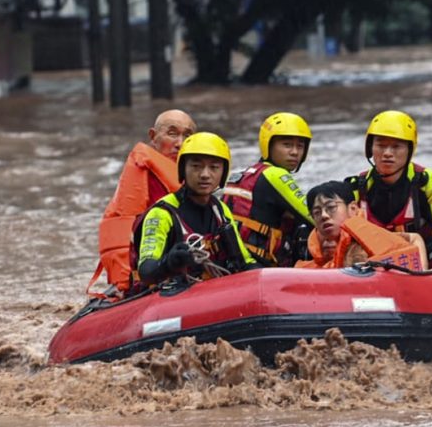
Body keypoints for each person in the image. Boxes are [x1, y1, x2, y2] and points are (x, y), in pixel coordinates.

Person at [87, 109, 197, 297]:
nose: (180, 143)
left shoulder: (201, 178)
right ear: (153, 137)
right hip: (151, 274)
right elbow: (126, 233)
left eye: (187, 136)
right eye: (172, 134)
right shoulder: (142, 174)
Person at [135, 132, 257, 285]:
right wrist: (169, 262)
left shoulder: (220, 210)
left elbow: (245, 261)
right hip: (172, 297)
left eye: (214, 167)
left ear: (223, 172)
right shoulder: (161, 214)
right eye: (196, 166)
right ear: (183, 169)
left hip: (215, 292)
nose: (205, 174)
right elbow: (146, 271)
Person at [345, 110, 432, 268]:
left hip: (425, 268)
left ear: (409, 150)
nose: (387, 153)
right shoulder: (356, 187)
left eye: (396, 146)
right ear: (370, 148)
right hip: (370, 270)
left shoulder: (427, 182)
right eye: (381, 145)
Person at [222, 112, 315, 266]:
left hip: (232, 263)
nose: (294, 152)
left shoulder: (245, 175)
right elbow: (313, 216)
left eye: (300, 146)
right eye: (287, 145)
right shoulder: (275, 175)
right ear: (268, 145)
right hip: (260, 268)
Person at [296, 180, 427, 270]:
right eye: (317, 212)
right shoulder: (314, 254)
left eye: (331, 207)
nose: (324, 215)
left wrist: (422, 274)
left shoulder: (369, 239)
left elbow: (414, 239)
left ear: (352, 209)